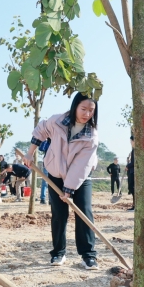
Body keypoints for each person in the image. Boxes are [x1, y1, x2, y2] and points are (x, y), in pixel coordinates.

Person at [27, 92, 99, 269]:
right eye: (83, 109)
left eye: (91, 110)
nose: (87, 114)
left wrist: (69, 188)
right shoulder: (57, 121)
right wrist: (30, 153)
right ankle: (58, 253)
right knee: (59, 214)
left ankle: (88, 255)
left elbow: (81, 165)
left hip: (81, 177)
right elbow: (40, 130)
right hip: (56, 173)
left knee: (84, 212)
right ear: (75, 106)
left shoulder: (91, 135)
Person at [126, 136, 135, 211]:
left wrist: (127, 166)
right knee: (132, 189)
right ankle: (134, 205)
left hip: (134, 172)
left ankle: (135, 205)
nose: (130, 143)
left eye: (131, 141)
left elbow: (134, 162)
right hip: (132, 171)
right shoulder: (133, 150)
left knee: (133, 188)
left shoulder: (135, 150)